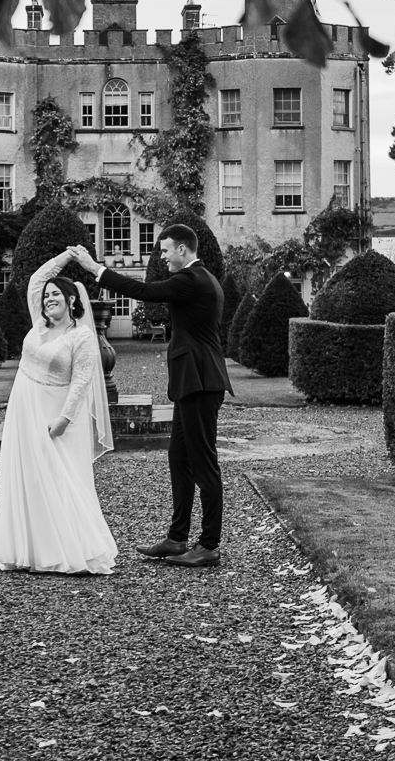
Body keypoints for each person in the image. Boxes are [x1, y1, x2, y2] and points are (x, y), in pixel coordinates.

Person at [68, 226, 230, 567]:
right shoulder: (201, 278)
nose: (162, 256)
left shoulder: (192, 279)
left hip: (201, 382)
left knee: (203, 463)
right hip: (194, 381)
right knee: (179, 458)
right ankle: (177, 538)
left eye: (166, 250)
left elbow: (142, 290)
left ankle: (209, 545)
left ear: (183, 250)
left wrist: (94, 268)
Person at [0, 252, 117, 574]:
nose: (48, 299)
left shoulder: (80, 336)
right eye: (46, 297)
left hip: (55, 415)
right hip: (22, 413)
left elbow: (81, 381)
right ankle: (24, 549)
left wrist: (64, 419)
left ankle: (68, 549)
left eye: (56, 294)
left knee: (59, 479)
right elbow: (36, 281)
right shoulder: (38, 325)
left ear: (71, 299)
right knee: (26, 479)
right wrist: (65, 257)